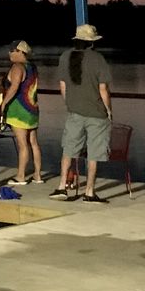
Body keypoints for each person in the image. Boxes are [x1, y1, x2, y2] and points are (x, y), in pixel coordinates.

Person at [51, 24, 114, 203]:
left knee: (69, 149)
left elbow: (62, 85)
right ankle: (89, 191)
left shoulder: (65, 57)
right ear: (92, 42)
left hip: (74, 111)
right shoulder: (98, 59)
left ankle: (62, 187)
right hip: (96, 113)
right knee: (94, 153)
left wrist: (69, 103)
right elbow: (103, 89)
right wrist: (109, 110)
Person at [0, 40, 43, 184]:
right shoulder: (32, 67)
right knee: (34, 143)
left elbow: (15, 87)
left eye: (12, 50)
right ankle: (37, 175)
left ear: (20, 52)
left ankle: (21, 176)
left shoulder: (17, 67)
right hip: (32, 109)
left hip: (19, 111)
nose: (9, 53)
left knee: (22, 144)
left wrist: (3, 103)